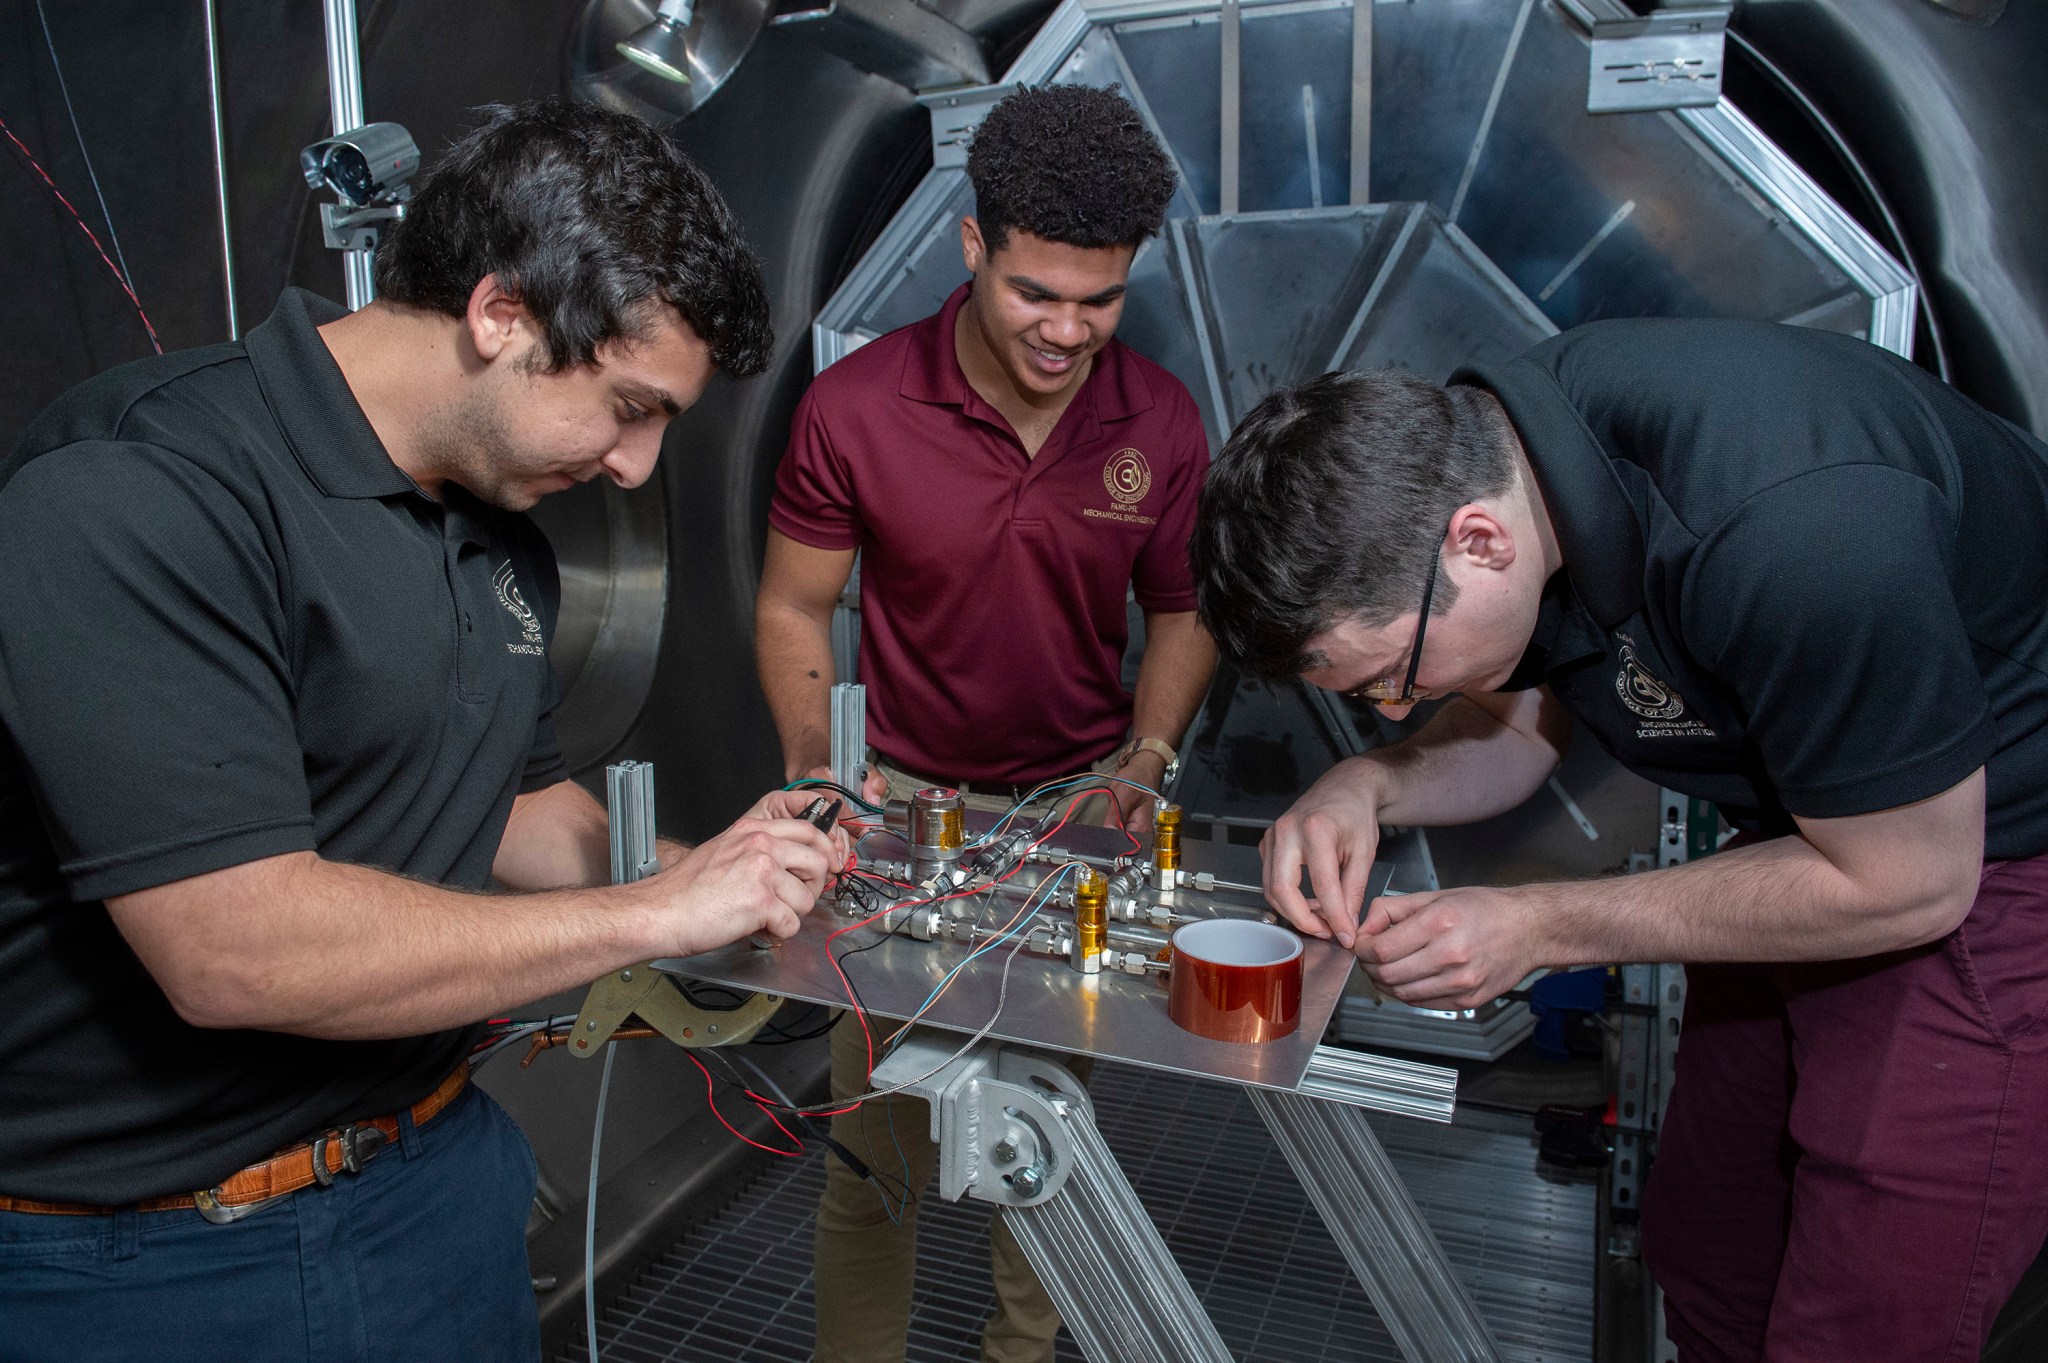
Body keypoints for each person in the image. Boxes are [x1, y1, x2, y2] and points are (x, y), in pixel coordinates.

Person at [0, 100, 841, 1362]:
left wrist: (705, 869)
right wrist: (651, 920)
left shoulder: (497, 524)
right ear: (500, 314)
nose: (634, 466)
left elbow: (509, 803)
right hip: (157, 1256)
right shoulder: (141, 489)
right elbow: (233, 951)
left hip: (436, 1177)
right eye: (626, 405)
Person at [1188, 322, 2048, 1362]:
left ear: (1478, 541)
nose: (1392, 706)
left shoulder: (1797, 527)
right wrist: (1366, 785)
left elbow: (1909, 882)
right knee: (1712, 1248)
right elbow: (1517, 716)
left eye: (1393, 678)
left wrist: (1540, 924)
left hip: (1983, 866)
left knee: (1862, 1318)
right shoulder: (1517, 455)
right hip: (1809, 837)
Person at [755, 85, 1218, 1363]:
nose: (1068, 331)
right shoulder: (855, 409)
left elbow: (1184, 609)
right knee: (875, 1153)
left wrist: (1145, 756)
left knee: (1045, 1149)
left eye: (1101, 299)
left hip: (1079, 817)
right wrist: (817, 773)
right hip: (900, 813)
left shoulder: (1161, 421)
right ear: (971, 248)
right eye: (1034, 294)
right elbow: (795, 606)